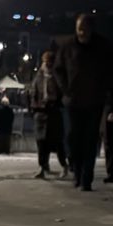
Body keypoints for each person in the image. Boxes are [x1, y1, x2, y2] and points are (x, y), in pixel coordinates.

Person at [52, 13, 113, 192]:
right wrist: (65, 89)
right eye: (79, 29)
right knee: (73, 138)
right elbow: (58, 70)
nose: (82, 33)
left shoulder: (103, 47)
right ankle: (76, 171)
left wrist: (105, 89)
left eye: (85, 29)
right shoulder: (67, 46)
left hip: (94, 101)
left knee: (90, 140)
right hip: (73, 101)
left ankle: (86, 179)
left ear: (91, 29)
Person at [29, 50, 67, 179]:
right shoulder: (39, 77)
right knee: (41, 142)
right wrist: (35, 107)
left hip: (53, 112)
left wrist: (56, 103)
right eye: (46, 63)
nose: (47, 66)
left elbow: (62, 93)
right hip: (40, 113)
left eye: (50, 63)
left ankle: (64, 165)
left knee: (57, 142)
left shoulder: (58, 77)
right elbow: (33, 93)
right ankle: (42, 167)